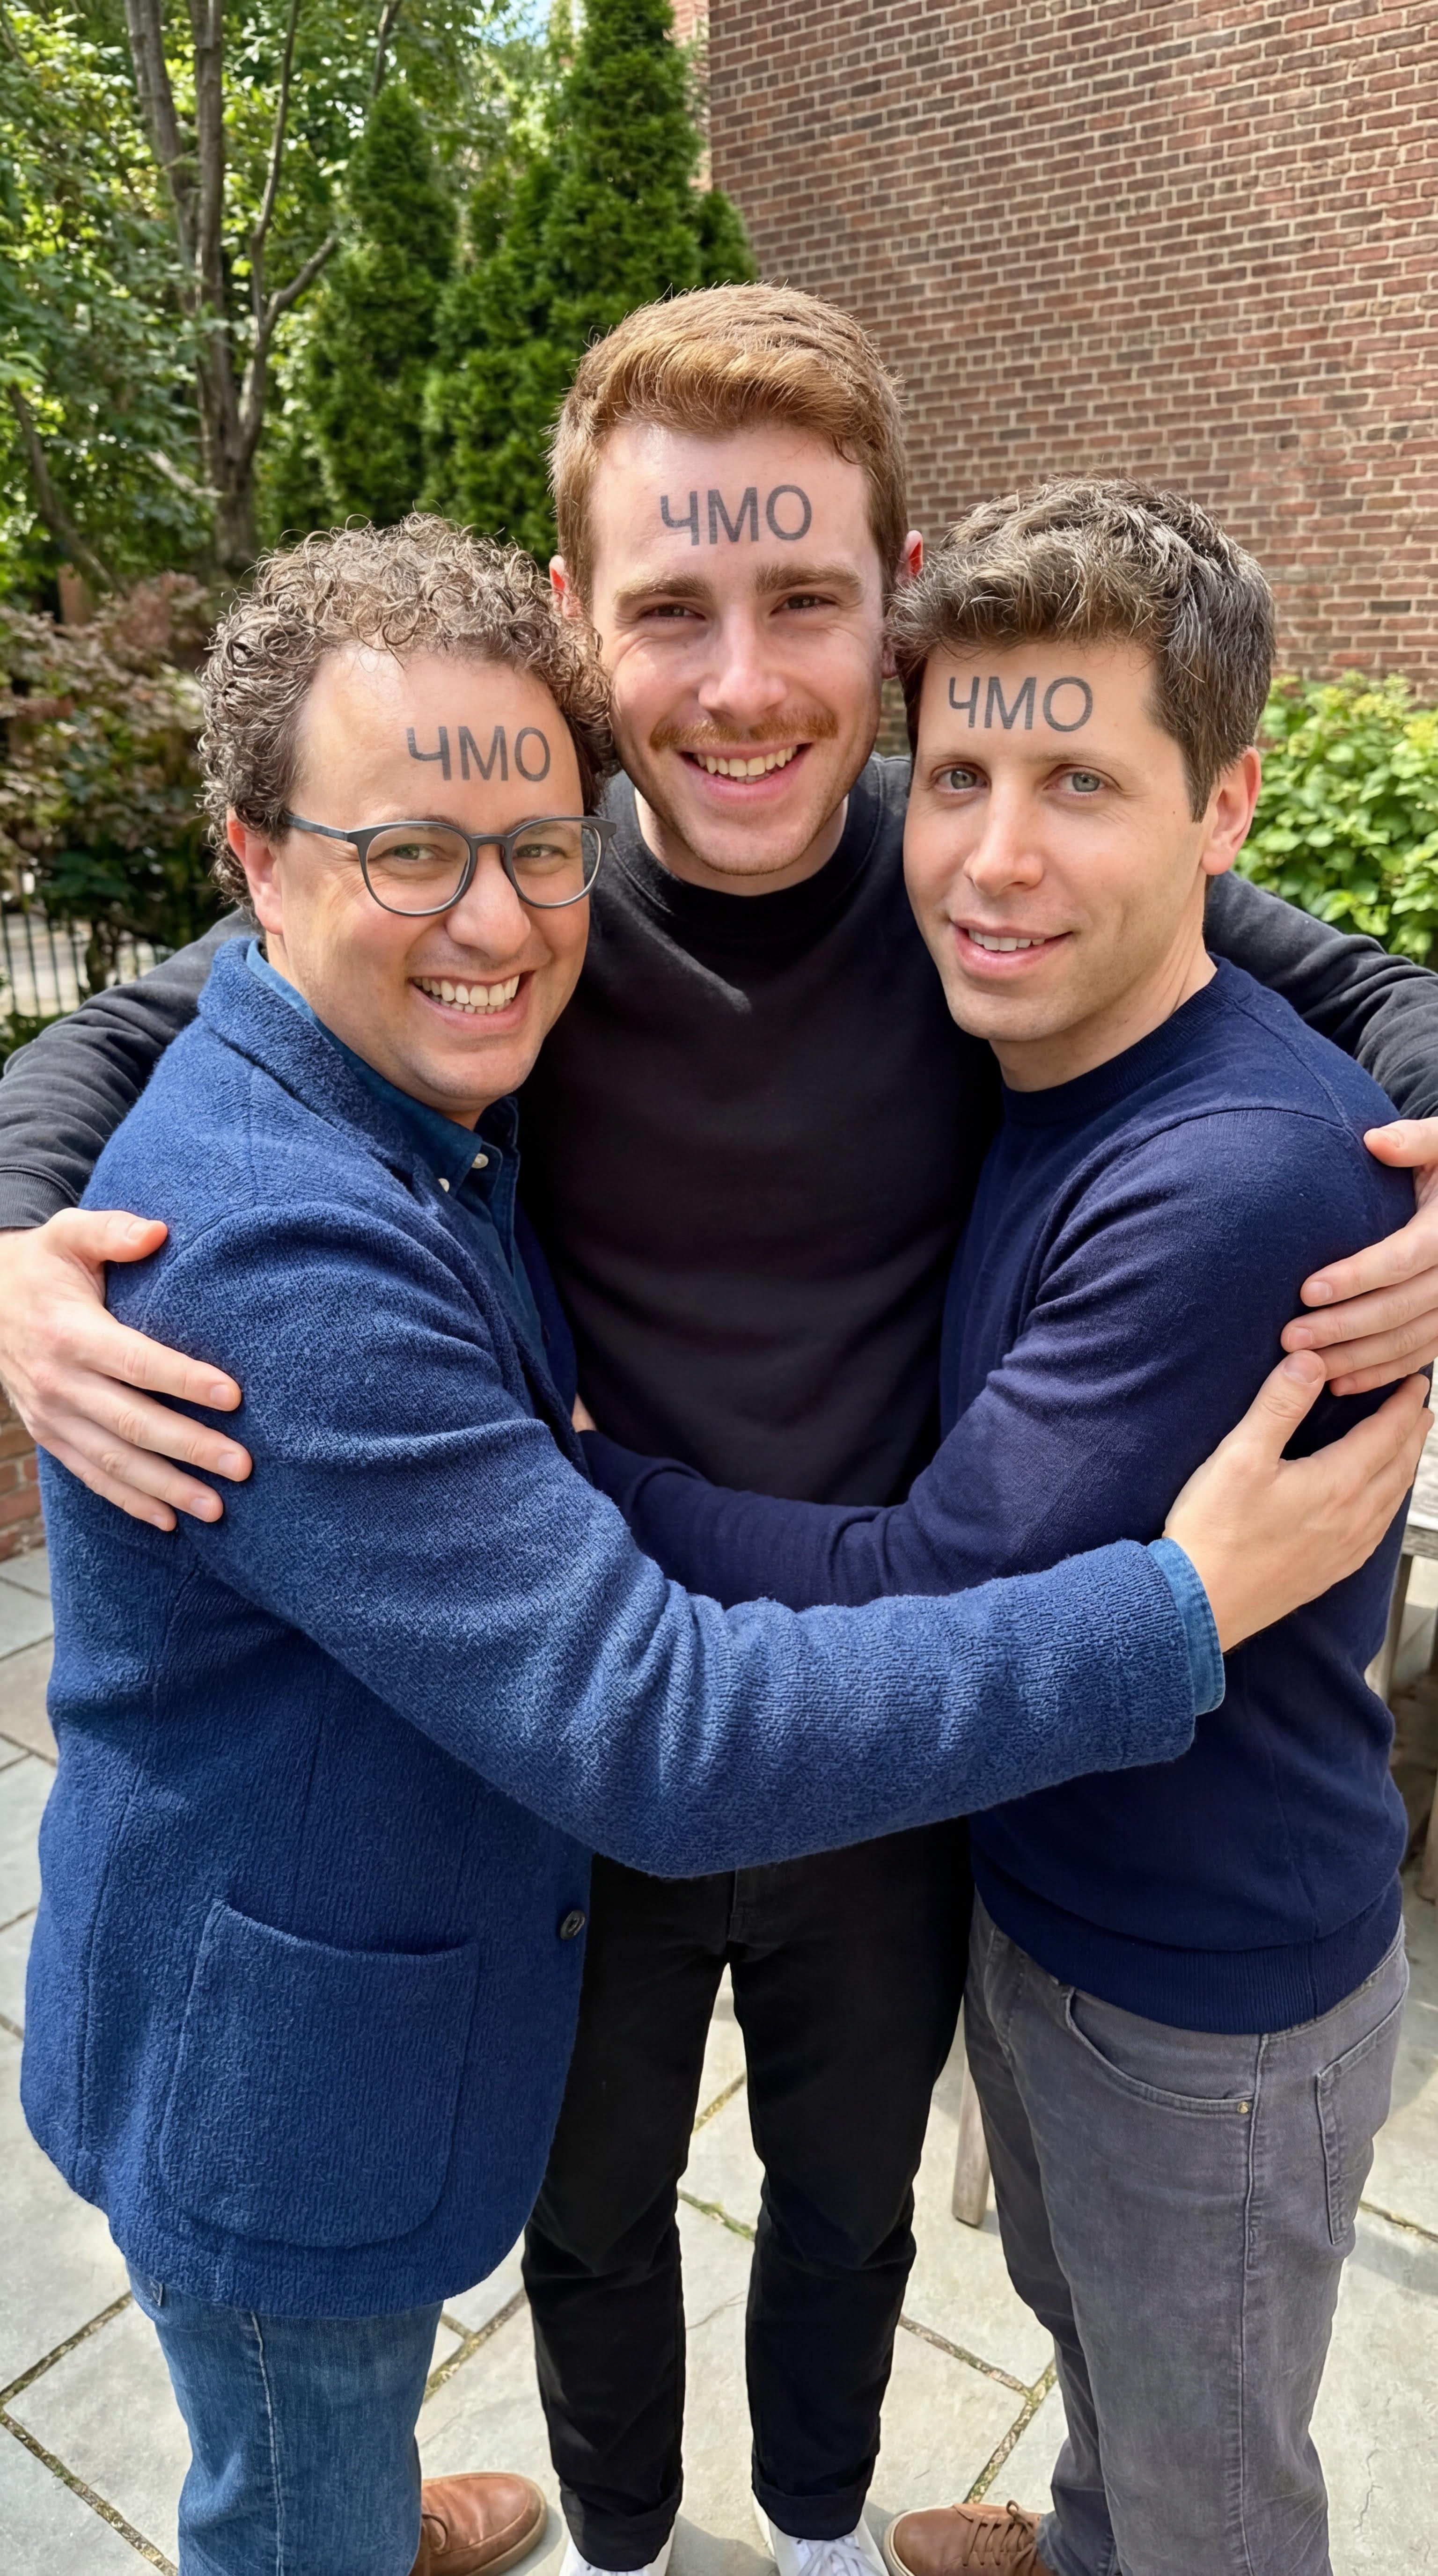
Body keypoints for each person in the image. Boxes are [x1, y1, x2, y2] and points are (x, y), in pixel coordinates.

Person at [4, 290, 1438, 2576]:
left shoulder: (968, 870)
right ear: (578, 617)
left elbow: (1332, 975)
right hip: (572, 1726)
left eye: (806, 599)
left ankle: (818, 2517)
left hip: (908, 1717)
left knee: (850, 2204)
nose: (744, 681)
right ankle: (622, 2527)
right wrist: (15, 1230)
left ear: (894, 608)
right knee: (586, 2215)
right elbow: (164, 1023)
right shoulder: (513, 883)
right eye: (672, 605)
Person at [580, 483, 1423, 2576]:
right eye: (959, 775)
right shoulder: (1059, 1050)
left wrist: (577, 1475)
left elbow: (931, 1589)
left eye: (1081, 783)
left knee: (1218, 2483)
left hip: (1203, 2000)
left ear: (1225, 813)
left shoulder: (1231, 1184)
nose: (996, 854)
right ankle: (1082, 2533)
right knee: (1099, 2342)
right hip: (1056, 1905)